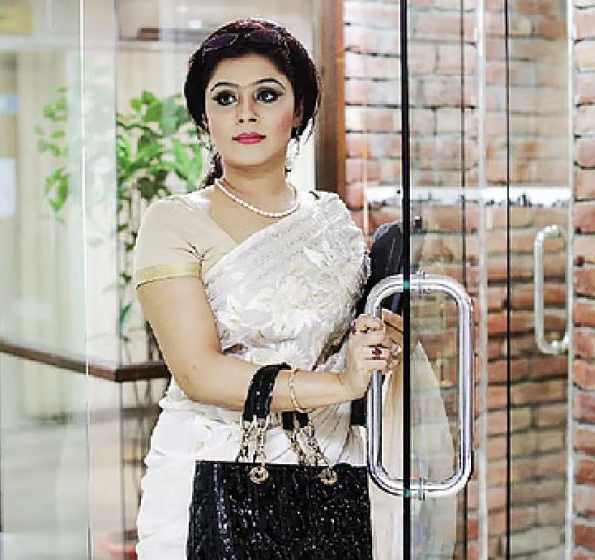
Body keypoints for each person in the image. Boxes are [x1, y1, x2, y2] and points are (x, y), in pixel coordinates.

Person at [131, 18, 405, 559]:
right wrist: (341, 384)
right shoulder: (174, 221)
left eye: (267, 94)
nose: (246, 114)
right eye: (225, 98)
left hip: (331, 469)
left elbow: (351, 341)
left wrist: (380, 342)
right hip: (212, 475)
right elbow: (199, 372)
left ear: (298, 109)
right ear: (203, 116)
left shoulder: (331, 219)